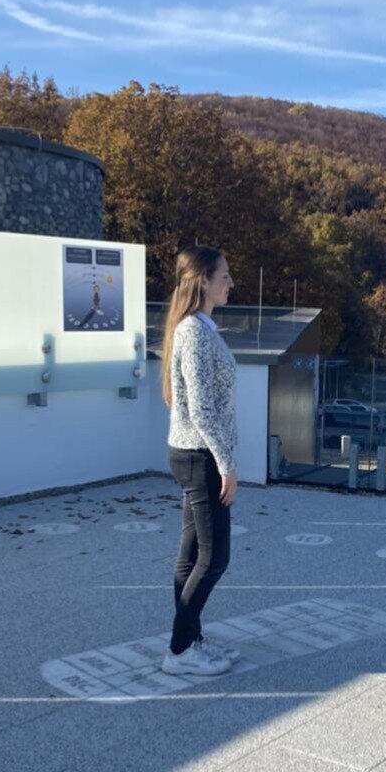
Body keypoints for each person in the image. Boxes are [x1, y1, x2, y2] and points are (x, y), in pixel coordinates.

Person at [162, 246, 240, 677]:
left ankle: (190, 640)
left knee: (192, 555)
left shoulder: (200, 328)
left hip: (194, 453)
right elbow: (201, 410)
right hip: (200, 456)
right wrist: (227, 464)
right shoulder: (194, 332)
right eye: (224, 276)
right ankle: (178, 651)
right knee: (214, 557)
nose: (231, 283)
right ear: (203, 281)